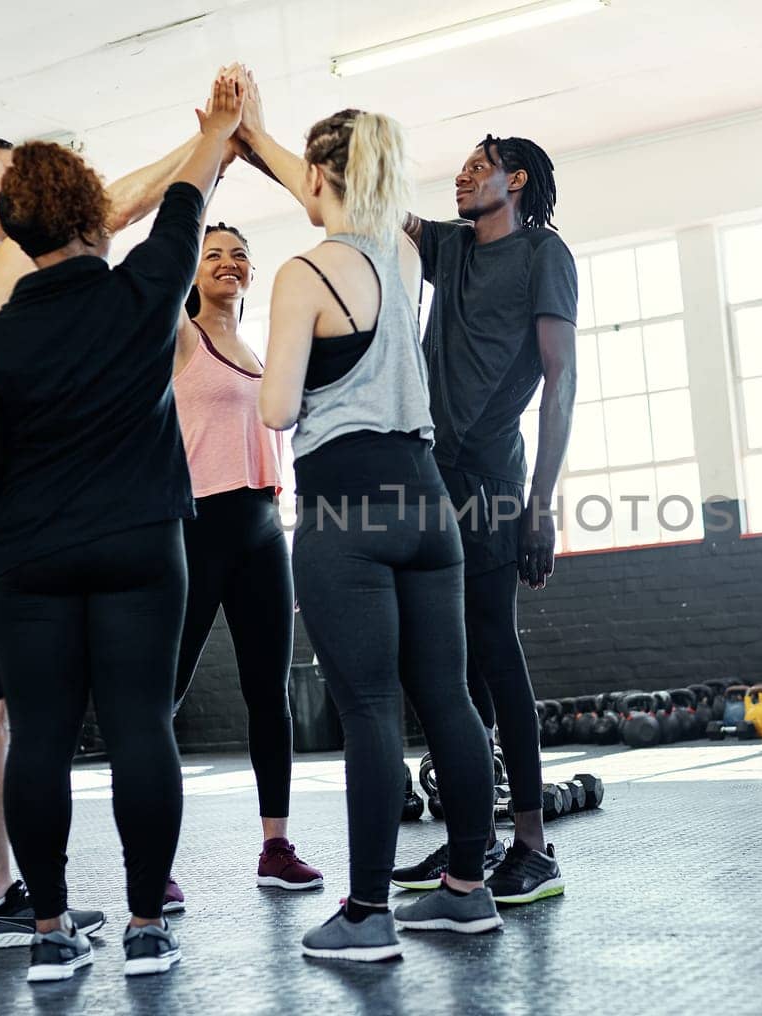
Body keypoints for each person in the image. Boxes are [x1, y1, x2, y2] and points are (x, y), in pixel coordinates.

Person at [0, 70, 245, 981]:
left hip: (26, 565)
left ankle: (49, 931)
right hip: (143, 545)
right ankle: (148, 926)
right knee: (142, 726)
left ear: (18, 231)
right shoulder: (143, 289)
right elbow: (187, 206)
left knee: (40, 737)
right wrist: (219, 129)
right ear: (92, 216)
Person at [241, 96, 501, 961]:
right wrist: (255, 140)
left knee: (371, 708)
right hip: (429, 504)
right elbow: (341, 199)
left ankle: (366, 914)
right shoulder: (403, 254)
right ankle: (468, 889)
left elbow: (278, 406)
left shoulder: (302, 273)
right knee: (451, 699)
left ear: (320, 178)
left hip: (346, 511)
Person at [391, 134, 579, 904]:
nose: (462, 174)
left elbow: (561, 381)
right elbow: (365, 201)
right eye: (461, 165)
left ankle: (533, 848)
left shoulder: (544, 255)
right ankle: (471, 836)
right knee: (446, 663)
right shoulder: (452, 247)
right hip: (431, 477)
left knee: (496, 654)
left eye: (480, 164)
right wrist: (253, 142)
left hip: (496, 478)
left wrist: (541, 503)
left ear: (518, 178)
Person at [165, 223, 322, 910]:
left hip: (263, 530)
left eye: (239, 256)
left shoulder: (262, 353)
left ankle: (276, 847)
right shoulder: (179, 335)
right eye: (214, 255)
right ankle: (155, 859)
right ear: (194, 273)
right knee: (160, 699)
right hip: (196, 529)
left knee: (270, 696)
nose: (229, 264)